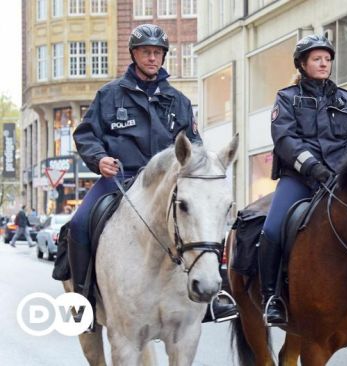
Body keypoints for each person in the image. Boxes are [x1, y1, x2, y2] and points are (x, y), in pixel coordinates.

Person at [70, 23, 235, 325]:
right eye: (146, 52)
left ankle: (214, 296)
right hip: (120, 180)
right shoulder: (109, 95)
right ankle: (83, 299)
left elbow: (195, 147)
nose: (152, 58)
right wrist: (99, 159)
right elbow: (86, 134)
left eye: (157, 53)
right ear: (134, 55)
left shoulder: (179, 101)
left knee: (206, 219)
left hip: (166, 183)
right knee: (79, 223)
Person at [259, 34, 347, 326]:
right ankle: (271, 296)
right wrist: (312, 167)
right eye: (316, 59)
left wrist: (344, 166)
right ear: (302, 64)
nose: (324, 64)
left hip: (341, 178)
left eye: (327, 59)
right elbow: (285, 139)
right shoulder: (286, 98)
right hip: (299, 179)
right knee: (271, 229)